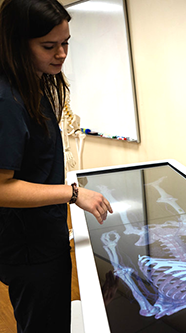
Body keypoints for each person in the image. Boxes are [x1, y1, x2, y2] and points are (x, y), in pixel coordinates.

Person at [0, 1, 113, 332]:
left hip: (44, 235)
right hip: (27, 246)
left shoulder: (36, 81)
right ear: (17, 43)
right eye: (49, 46)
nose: (62, 54)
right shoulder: (7, 101)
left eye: (66, 43)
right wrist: (73, 193)